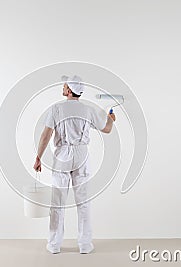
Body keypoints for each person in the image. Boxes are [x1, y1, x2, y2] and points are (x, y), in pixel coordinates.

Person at [33, 75, 116, 254]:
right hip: (82, 154)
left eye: (64, 86)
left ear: (69, 90)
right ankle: (85, 245)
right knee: (83, 202)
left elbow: (45, 135)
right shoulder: (88, 110)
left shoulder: (56, 109)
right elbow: (107, 129)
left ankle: (54, 245)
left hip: (62, 154)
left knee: (58, 202)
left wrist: (38, 157)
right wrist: (111, 118)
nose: (62, 88)